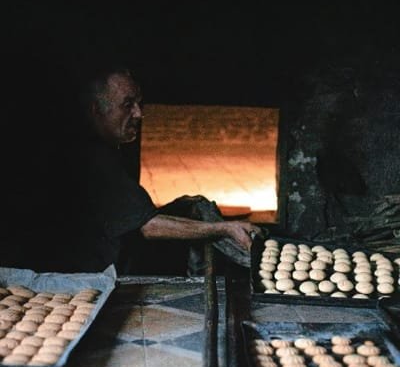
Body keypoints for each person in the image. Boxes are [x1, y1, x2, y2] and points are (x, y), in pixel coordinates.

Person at [0, 64, 261, 275]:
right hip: (84, 272)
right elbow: (149, 226)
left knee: (193, 206)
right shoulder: (90, 156)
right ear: (96, 111)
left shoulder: (102, 148)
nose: (139, 114)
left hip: (106, 252)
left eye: (139, 104)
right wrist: (225, 228)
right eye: (127, 105)